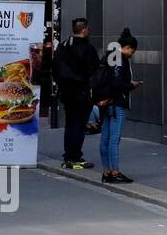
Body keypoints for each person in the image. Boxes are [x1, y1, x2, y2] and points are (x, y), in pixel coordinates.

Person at [52, 17, 99, 170]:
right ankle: (75, 157)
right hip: (81, 92)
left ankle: (68, 156)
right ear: (84, 30)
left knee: (70, 124)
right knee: (79, 125)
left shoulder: (63, 46)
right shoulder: (87, 49)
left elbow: (56, 68)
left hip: (67, 92)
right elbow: (94, 72)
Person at [96, 28, 142, 184]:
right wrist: (131, 85)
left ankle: (106, 171)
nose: (131, 54)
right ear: (128, 48)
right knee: (114, 140)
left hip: (105, 102)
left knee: (105, 138)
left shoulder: (108, 56)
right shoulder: (119, 59)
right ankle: (115, 172)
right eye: (132, 51)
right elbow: (117, 84)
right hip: (116, 103)